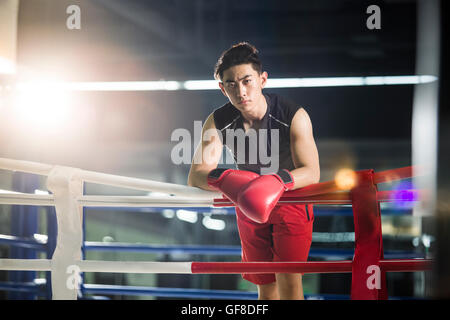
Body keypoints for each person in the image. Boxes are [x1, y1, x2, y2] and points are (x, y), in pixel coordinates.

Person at [187, 42, 320, 300]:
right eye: (231, 85)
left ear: (262, 80)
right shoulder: (218, 120)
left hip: (290, 200)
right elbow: (197, 174)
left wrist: (275, 182)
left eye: (247, 81)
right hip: (246, 200)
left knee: (289, 283)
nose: (241, 91)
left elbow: (312, 171)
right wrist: (230, 180)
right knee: (264, 285)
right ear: (222, 88)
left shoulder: (293, 115)